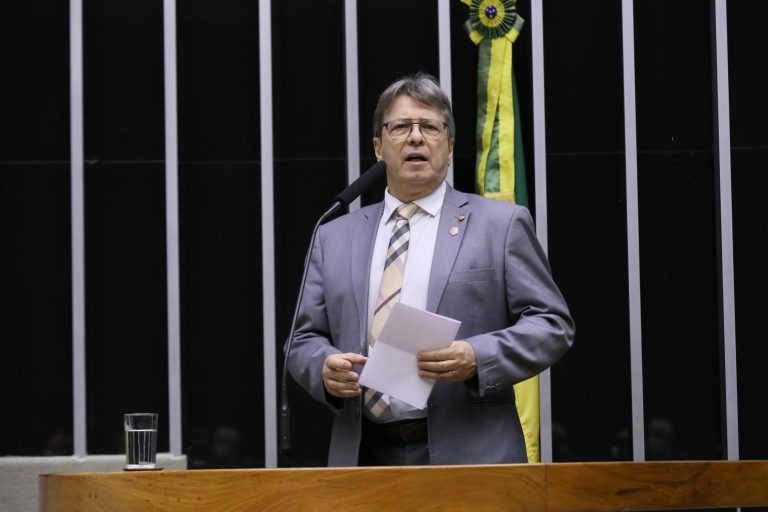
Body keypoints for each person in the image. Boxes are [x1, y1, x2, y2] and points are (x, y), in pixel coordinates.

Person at [286, 72, 574, 466]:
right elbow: (302, 339)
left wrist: (477, 355)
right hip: (364, 454)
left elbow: (552, 324)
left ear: (450, 146)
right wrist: (323, 369)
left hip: (471, 454)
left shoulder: (500, 225)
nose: (416, 137)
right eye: (401, 127)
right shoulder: (333, 236)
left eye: (430, 127)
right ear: (378, 147)